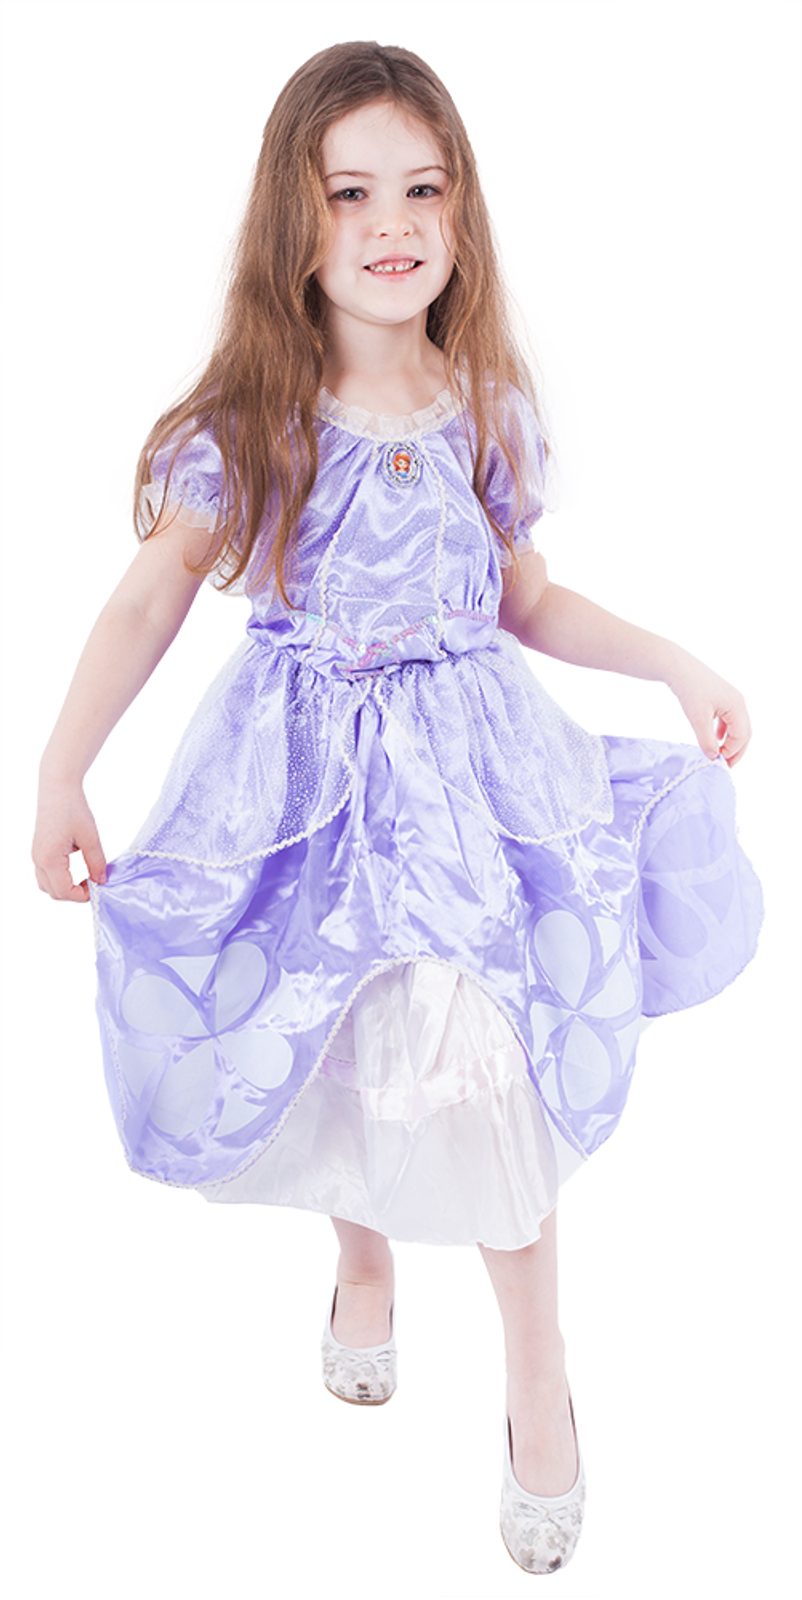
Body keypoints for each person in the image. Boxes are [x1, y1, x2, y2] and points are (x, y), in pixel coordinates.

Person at [31, 41, 764, 1576]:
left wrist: (670, 659)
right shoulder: (256, 420)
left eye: (421, 190)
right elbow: (147, 603)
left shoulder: (481, 405)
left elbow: (523, 599)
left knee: (485, 1069)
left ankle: (537, 1375)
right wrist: (60, 768)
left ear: (460, 210)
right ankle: (361, 1261)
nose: (389, 224)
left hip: (466, 797)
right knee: (331, 1034)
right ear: (291, 223)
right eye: (349, 193)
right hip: (306, 795)